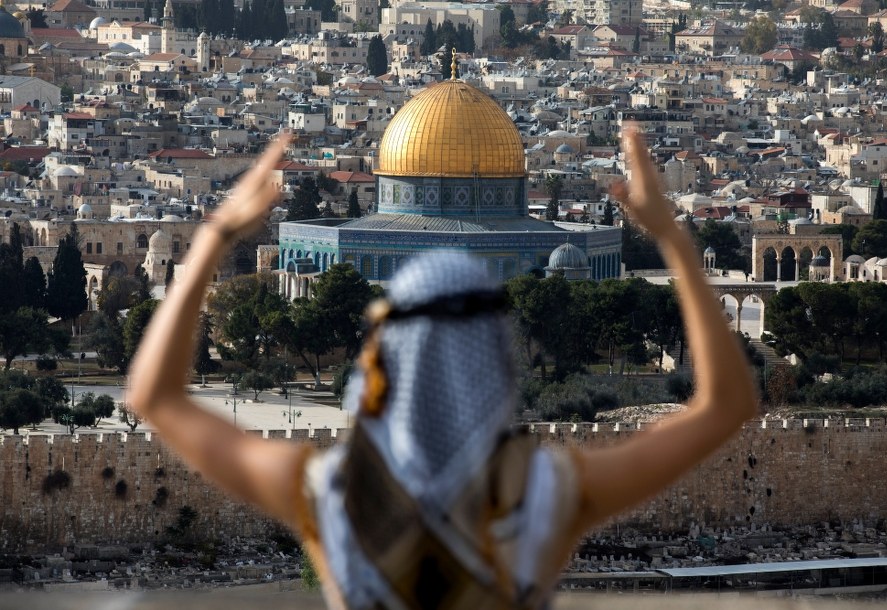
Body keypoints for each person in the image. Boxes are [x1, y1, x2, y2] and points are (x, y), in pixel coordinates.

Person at [127, 128, 758, 609]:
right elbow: (725, 407)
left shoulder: (336, 500)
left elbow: (156, 399)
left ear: (383, 356)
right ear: (496, 357)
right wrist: (673, 240)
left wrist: (214, 235)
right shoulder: (540, 500)